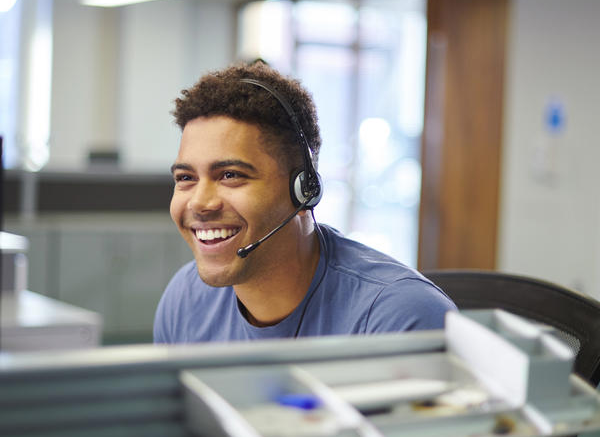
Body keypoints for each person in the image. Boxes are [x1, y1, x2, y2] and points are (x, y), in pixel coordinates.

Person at [154, 62, 455, 343]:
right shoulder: (185, 299)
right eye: (185, 178)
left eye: (231, 175)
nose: (200, 203)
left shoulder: (398, 318)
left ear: (303, 189)